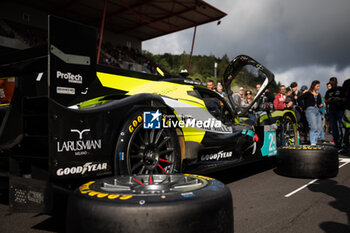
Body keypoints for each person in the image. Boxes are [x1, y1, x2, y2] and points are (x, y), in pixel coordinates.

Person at [298, 80, 323, 145]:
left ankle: (315, 142)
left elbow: (319, 103)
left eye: (319, 86)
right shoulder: (308, 93)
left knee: (319, 128)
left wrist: (320, 104)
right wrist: (303, 107)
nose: (318, 88)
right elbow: (299, 99)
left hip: (317, 110)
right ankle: (313, 143)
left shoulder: (318, 94)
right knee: (313, 127)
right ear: (313, 86)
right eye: (317, 86)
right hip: (310, 110)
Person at [325, 77, 345, 148]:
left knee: (341, 126)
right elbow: (325, 101)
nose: (332, 84)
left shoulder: (341, 89)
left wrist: (340, 99)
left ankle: (343, 141)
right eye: (331, 83)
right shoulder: (328, 91)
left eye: (333, 83)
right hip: (332, 111)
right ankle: (336, 143)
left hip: (340, 110)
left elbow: (346, 99)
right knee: (333, 127)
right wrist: (329, 100)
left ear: (336, 82)